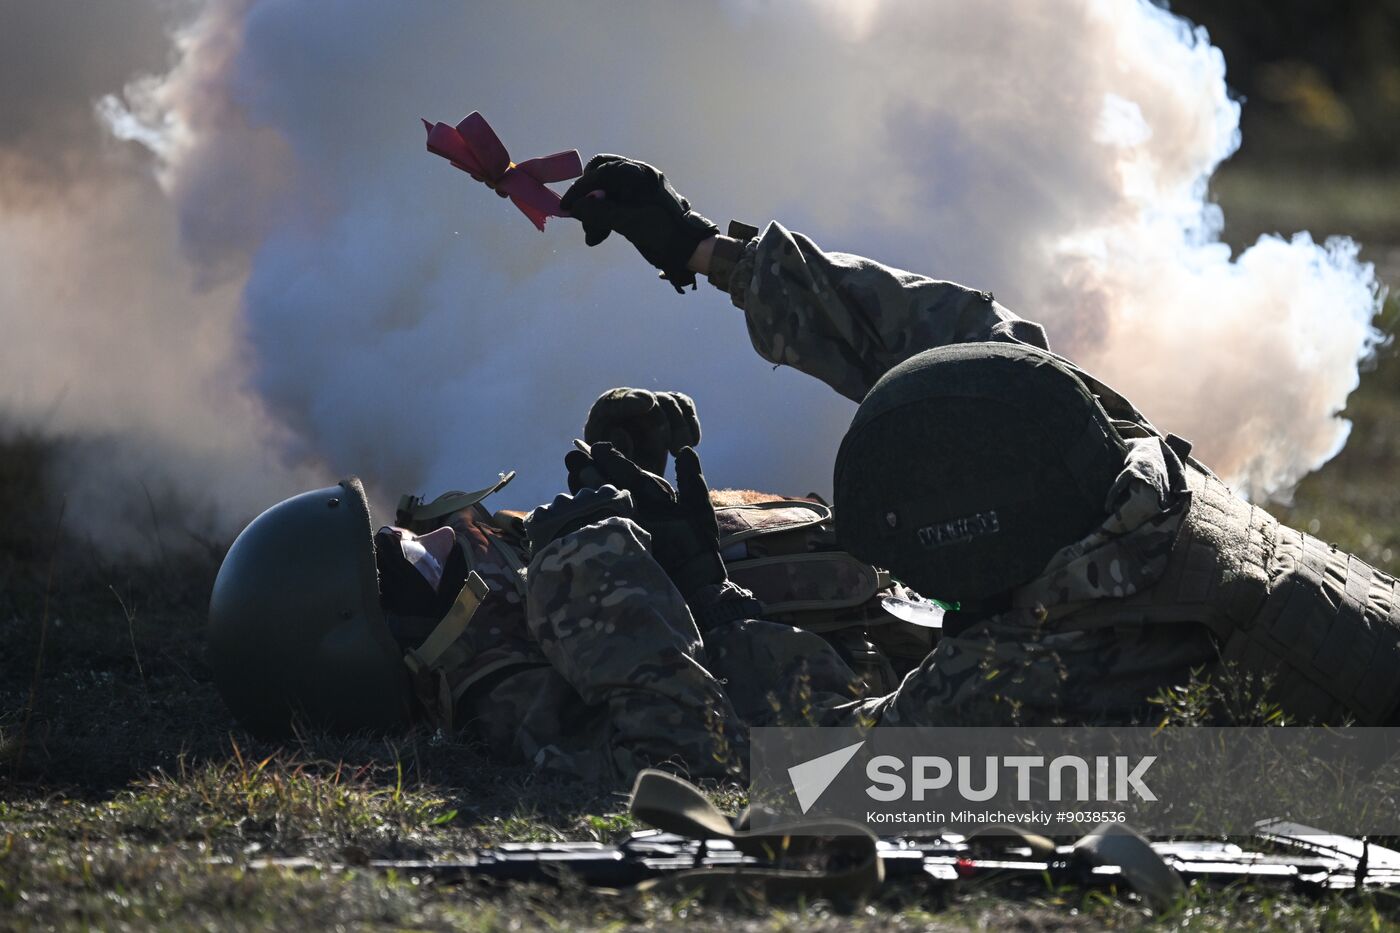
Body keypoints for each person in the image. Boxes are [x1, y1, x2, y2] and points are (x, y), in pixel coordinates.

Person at [558, 155, 1400, 727]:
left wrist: (705, 596)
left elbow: (813, 766)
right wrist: (705, 248)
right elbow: (966, 339)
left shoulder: (1043, 662)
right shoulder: (1115, 457)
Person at [207, 388, 921, 785]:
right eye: (417, 561)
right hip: (936, 730)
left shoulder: (509, 592)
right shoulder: (506, 701)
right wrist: (593, 563)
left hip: (925, 593)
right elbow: (688, 757)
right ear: (387, 648)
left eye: (412, 528)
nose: (455, 532)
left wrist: (632, 485)